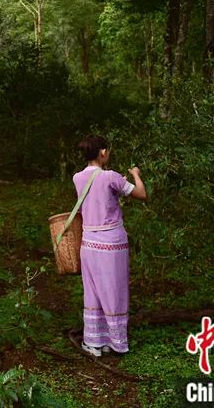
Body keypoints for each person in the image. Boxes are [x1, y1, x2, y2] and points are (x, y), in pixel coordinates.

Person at [73, 135, 147, 356]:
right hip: (113, 243)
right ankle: (115, 342)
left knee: (93, 291)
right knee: (114, 290)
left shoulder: (77, 177)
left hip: (89, 242)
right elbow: (141, 194)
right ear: (103, 152)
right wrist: (135, 175)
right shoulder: (111, 177)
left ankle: (95, 342)